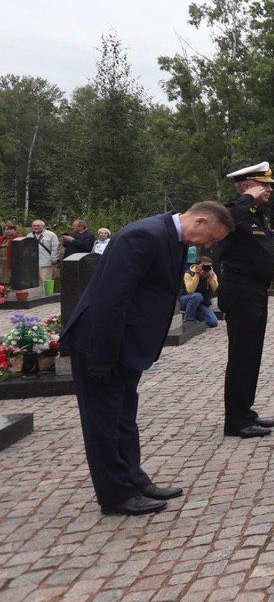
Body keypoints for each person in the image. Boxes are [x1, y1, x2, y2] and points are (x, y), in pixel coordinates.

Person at [61, 201, 232, 515]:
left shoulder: (172, 237)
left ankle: (134, 479)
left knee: (124, 417)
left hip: (126, 346)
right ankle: (115, 495)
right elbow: (111, 299)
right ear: (201, 220)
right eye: (209, 238)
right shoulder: (143, 236)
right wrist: (103, 355)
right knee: (104, 422)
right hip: (101, 343)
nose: (207, 246)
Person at [219, 161, 274, 439]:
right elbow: (224, 218)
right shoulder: (235, 211)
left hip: (255, 291)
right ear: (247, 187)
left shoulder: (255, 214)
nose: (269, 189)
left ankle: (245, 411)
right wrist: (246, 198)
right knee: (241, 355)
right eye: (263, 184)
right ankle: (235, 421)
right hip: (240, 291)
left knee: (251, 354)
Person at [181, 257, 220, 327]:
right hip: (186, 299)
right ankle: (188, 319)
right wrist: (197, 275)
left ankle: (196, 315)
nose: (206, 268)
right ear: (197, 266)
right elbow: (190, 291)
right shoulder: (188, 273)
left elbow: (215, 289)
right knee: (197, 296)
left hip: (202, 303)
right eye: (204, 266)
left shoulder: (211, 274)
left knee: (213, 322)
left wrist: (210, 278)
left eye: (209, 266)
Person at [28, 219, 61, 284]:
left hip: (46, 263)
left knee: (46, 283)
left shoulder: (51, 235)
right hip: (33, 264)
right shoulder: (29, 235)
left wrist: (54, 260)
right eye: (34, 225)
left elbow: (55, 248)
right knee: (34, 284)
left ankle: (46, 294)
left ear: (44, 226)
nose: (36, 227)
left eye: (38, 225)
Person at [0, 221, 19, 286]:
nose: (9, 231)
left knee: (8, 279)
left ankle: (6, 292)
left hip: (10, 262)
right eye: (7, 229)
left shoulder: (18, 239)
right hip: (1, 262)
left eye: (11, 229)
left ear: (14, 230)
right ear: (4, 230)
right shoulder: (1, 238)